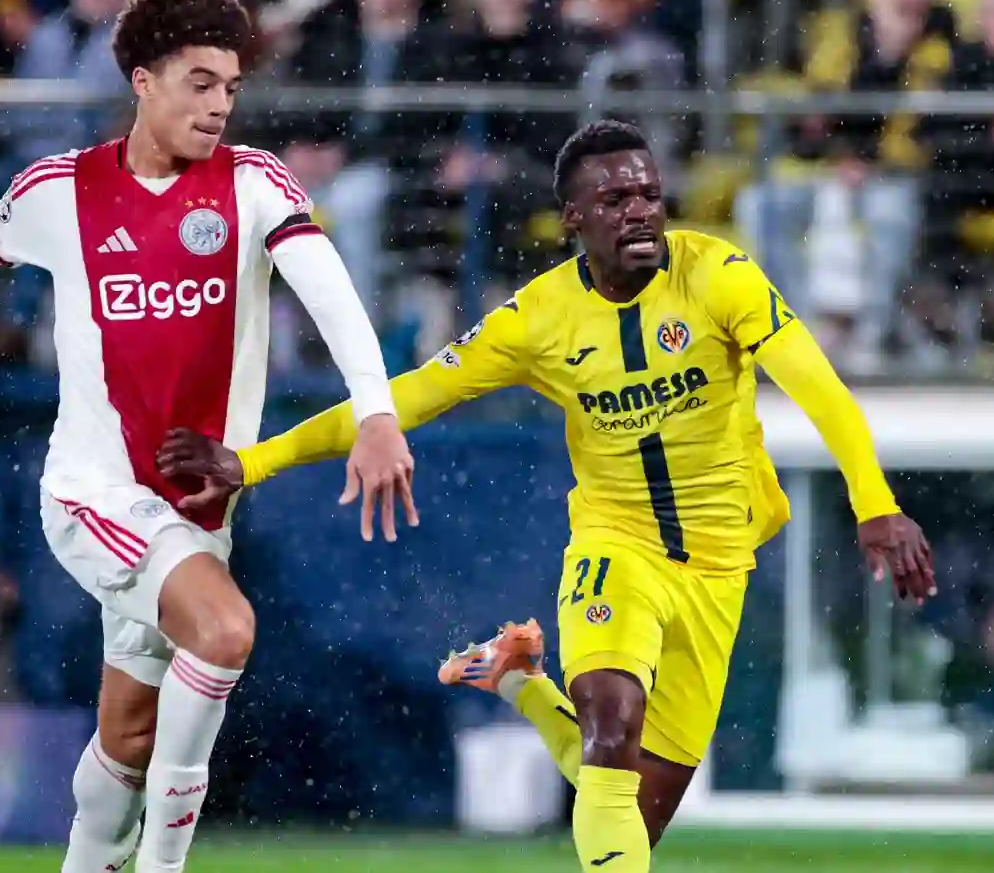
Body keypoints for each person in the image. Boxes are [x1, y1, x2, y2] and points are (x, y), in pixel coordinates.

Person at [157, 120, 936, 872]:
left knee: (638, 813)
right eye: (615, 200)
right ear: (573, 218)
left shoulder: (719, 275)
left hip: (719, 562)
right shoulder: (538, 318)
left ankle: (517, 681)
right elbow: (410, 396)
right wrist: (252, 462)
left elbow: (822, 391)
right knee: (609, 719)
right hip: (615, 543)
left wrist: (875, 504)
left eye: (650, 195)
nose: (638, 211)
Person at [0, 0, 414, 873]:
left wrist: (376, 409)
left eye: (231, 89)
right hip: (96, 495)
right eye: (200, 82)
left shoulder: (254, 184)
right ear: (143, 81)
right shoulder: (61, 190)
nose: (219, 106)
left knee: (129, 739)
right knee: (224, 634)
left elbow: (330, 290)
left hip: (196, 512)